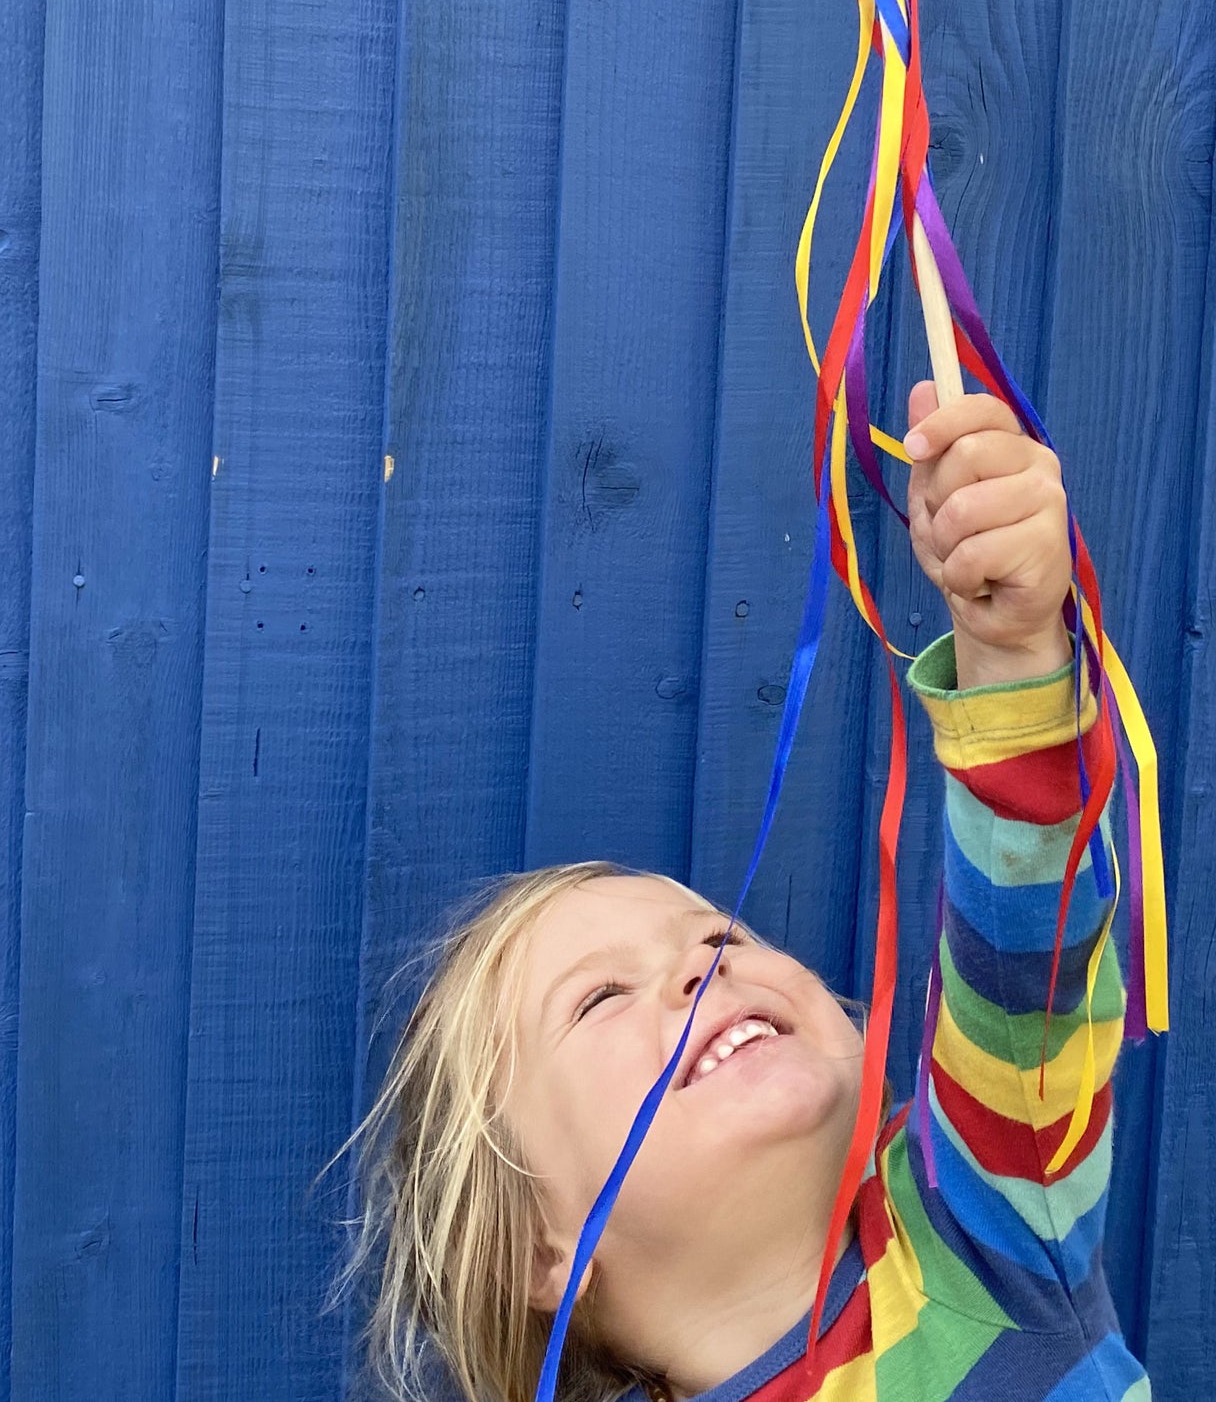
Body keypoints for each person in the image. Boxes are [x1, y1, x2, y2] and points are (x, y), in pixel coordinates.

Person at [342, 383, 1150, 1402]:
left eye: (720, 936)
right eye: (597, 998)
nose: (697, 968)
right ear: (535, 1249)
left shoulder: (987, 1238)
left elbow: (1024, 952)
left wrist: (1012, 654)